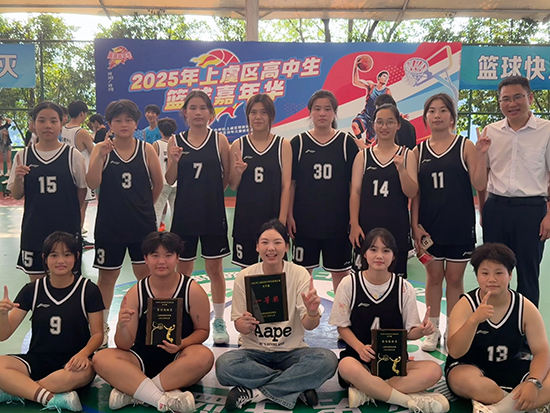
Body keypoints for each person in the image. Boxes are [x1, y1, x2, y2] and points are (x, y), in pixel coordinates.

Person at [216, 219, 338, 411]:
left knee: (327, 360)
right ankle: (296, 385)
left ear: (287, 247)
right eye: (264, 242)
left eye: (277, 242)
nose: (271, 248)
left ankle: (255, 392)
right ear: (257, 247)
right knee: (224, 365)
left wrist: (312, 311)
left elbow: (309, 325)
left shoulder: (299, 274)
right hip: (255, 351)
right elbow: (238, 324)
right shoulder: (244, 276)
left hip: (292, 351)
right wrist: (243, 324)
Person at [330, 228, 450, 412]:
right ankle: (407, 400)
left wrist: (422, 330)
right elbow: (342, 327)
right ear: (364, 254)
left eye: (386, 250)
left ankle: (368, 391)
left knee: (433, 370)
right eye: (373, 249)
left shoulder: (404, 288)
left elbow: (410, 333)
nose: (379, 255)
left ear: (394, 256)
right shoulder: (350, 283)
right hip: (360, 360)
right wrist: (360, 348)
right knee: (346, 366)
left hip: (394, 363)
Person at [92, 231, 212, 413]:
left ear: (177, 258)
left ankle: (136, 393)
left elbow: (203, 331)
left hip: (179, 358)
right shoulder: (136, 293)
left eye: (168, 255)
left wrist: (181, 344)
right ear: (145, 259)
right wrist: (122, 326)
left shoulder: (192, 290)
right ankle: (160, 397)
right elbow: (124, 345)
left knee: (204, 356)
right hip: (140, 359)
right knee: (101, 358)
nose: (161, 261)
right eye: (155, 255)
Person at [411, 93, 489, 352]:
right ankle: (431, 330)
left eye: (443, 110)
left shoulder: (465, 145)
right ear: (426, 118)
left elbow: (479, 183)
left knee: (455, 280)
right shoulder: (418, 151)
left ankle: (454, 329)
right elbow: (415, 194)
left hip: (459, 225)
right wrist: (414, 225)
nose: (437, 115)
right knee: (433, 278)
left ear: (452, 117)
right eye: (432, 111)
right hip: (429, 228)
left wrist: (482, 155)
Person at [87, 99, 163, 347]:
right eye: (118, 120)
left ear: (136, 123)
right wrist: (100, 156)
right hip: (109, 226)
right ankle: (101, 328)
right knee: (107, 277)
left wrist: (144, 208)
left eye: (128, 120)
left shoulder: (146, 149)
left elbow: (158, 184)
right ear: (110, 124)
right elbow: (91, 182)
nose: (123, 124)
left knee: (145, 275)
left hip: (142, 226)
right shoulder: (101, 149)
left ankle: (147, 324)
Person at [0, 231, 104, 411]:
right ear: (45, 258)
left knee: (87, 371)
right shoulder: (32, 290)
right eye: (54, 255)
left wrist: (83, 354)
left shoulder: (88, 290)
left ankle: (18, 389)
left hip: (72, 363)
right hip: (37, 359)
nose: (60, 260)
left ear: (76, 257)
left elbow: (97, 334)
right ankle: (51, 397)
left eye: (67, 254)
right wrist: (2, 315)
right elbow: (4, 334)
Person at [446, 243, 550, 413]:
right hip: (470, 366)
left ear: (510, 275)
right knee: (465, 381)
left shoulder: (525, 307)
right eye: (485, 273)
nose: (492, 279)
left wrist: (533, 382)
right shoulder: (466, 305)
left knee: (544, 377)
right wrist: (473, 321)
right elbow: (455, 352)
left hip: (511, 366)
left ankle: (497, 409)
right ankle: (519, 405)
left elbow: (542, 352)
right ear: (477, 276)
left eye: (499, 273)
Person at [166, 91, 231, 344]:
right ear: (185, 112)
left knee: (215, 270)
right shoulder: (176, 140)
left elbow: (226, 178)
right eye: (192, 108)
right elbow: (170, 178)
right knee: (184, 270)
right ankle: (183, 318)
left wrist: (210, 195)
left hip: (212, 214)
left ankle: (219, 320)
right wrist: (174, 160)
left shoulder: (219, 140)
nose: (198, 112)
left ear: (210, 113)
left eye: (203, 108)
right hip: (185, 215)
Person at [479, 75, 550, 308]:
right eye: (505, 99)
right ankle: (493, 323)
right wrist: (484, 210)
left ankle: (527, 328)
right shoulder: (491, 131)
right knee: (493, 272)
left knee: (528, 274)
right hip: (496, 208)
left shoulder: (546, 130)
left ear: (530, 98)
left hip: (532, 211)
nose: (512, 104)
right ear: (499, 102)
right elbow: (484, 175)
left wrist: (549, 215)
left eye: (518, 97)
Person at [288, 89, 358, 293]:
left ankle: (342, 313)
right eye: (317, 109)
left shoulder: (346, 143)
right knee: (302, 275)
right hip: (305, 223)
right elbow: (291, 184)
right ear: (310, 112)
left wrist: (354, 220)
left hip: (338, 223)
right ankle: (303, 311)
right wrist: (289, 215)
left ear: (334, 113)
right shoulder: (298, 143)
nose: (322, 113)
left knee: (341, 275)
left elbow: (354, 187)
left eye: (327, 109)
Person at [8, 102, 86, 280]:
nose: (48, 126)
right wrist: (18, 178)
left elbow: (81, 190)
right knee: (37, 285)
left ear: (61, 123)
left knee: (67, 283)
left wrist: (72, 216)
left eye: (53, 121)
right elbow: (17, 195)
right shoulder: (23, 155)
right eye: (42, 121)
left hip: (66, 230)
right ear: (33, 124)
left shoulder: (73, 155)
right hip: (34, 230)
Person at [349, 104, 418, 278]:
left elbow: (411, 192)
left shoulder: (407, 155)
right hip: (367, 227)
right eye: (380, 122)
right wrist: (354, 224)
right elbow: (355, 192)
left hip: (397, 227)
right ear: (373, 125)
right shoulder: (363, 156)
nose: (384, 126)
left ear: (398, 125)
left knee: (396, 282)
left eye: (390, 122)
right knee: (363, 279)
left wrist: (402, 170)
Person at [229, 94, 292, 267]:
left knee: (276, 270)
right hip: (246, 220)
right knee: (246, 271)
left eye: (263, 112)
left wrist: (281, 221)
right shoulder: (238, 145)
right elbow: (233, 185)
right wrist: (238, 172)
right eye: (253, 112)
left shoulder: (283, 145)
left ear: (271, 115)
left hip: (273, 218)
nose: (258, 117)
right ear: (248, 116)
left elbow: (286, 186)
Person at [61, 100, 96, 248]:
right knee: (82, 206)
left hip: (66, 171)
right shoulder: (81, 132)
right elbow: (94, 152)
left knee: (69, 205)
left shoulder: (63, 129)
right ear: (82, 113)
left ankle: (69, 235)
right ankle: (77, 236)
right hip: (81, 173)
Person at [351, 61, 392, 145]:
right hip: (366, 115)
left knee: (368, 144)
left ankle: (364, 147)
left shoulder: (387, 91)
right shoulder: (371, 86)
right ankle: (360, 143)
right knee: (355, 125)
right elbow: (356, 81)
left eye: (387, 77)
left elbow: (392, 107)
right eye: (384, 76)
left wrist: (399, 116)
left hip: (376, 119)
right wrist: (355, 68)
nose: (386, 78)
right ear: (379, 77)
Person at [153, 118, 178, 231]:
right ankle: (176, 236)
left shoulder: (156, 144)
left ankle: (154, 235)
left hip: (162, 182)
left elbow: (152, 164)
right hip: (176, 181)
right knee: (176, 212)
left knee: (157, 212)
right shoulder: (178, 143)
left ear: (160, 130)